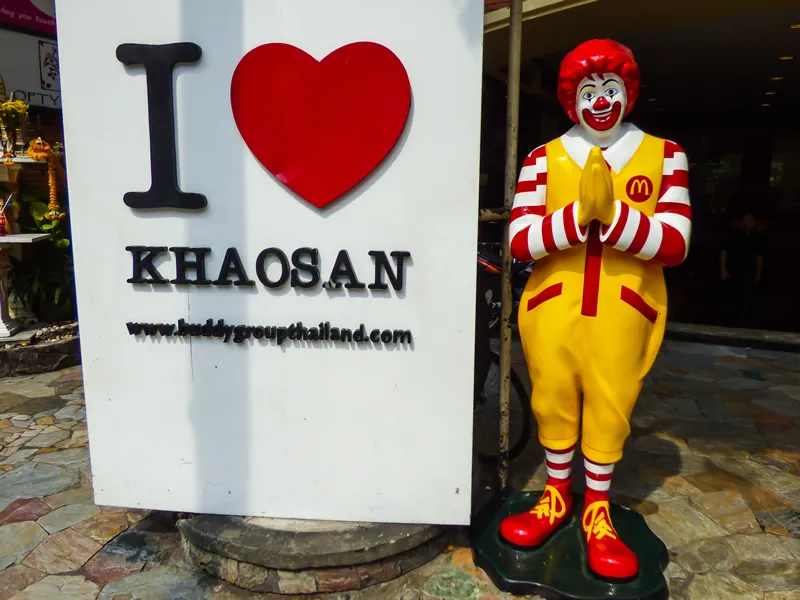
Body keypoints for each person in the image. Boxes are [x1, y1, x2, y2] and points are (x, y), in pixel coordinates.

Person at [499, 39, 691, 580]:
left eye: (610, 88)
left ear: (627, 92)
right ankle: (557, 495)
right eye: (588, 90)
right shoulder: (543, 158)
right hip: (553, 306)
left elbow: (675, 242)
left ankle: (598, 509)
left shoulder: (664, 155)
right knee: (552, 398)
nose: (600, 101)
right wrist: (580, 216)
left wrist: (614, 218)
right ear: (570, 100)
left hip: (622, 310)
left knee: (611, 405)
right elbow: (519, 240)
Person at [720, 212, 764, 327]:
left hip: (748, 273)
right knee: (731, 298)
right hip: (732, 272)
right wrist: (723, 269)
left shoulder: (757, 237)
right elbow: (724, 251)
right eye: (746, 219)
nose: (748, 222)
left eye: (751, 220)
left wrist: (758, 273)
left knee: (746, 299)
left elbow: (759, 256)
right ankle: (728, 323)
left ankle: (743, 324)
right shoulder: (733, 235)